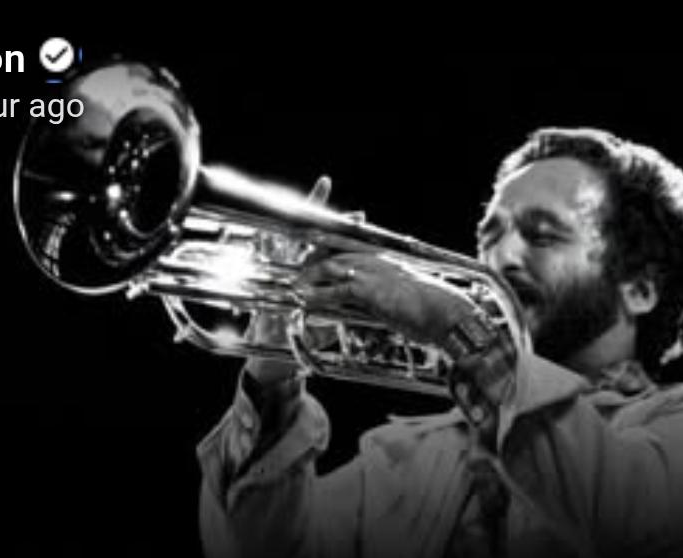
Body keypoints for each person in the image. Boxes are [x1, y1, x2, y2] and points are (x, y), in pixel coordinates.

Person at [197, 127, 683, 558]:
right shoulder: (406, 454)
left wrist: (451, 323)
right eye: (489, 234)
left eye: (542, 235)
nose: (502, 256)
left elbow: (623, 522)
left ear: (639, 287)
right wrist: (272, 362)